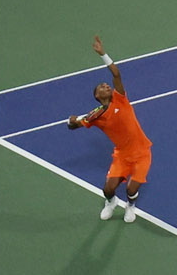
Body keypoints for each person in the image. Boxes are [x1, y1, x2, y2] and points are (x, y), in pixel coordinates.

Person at [65, 38, 156, 223]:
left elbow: (116, 74)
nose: (106, 86)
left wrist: (103, 54)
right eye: (102, 87)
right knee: (108, 189)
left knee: (131, 189)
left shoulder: (120, 98)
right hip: (122, 156)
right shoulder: (95, 117)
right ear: (97, 96)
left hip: (142, 153)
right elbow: (73, 127)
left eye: (107, 85)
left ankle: (130, 206)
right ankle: (111, 202)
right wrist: (71, 121)